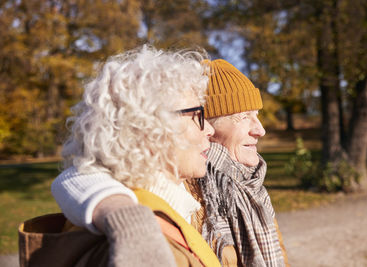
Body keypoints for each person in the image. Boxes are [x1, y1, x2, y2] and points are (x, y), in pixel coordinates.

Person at [51, 59, 289, 266]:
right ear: (153, 129)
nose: (261, 129)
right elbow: (80, 176)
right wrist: (123, 215)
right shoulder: (168, 201)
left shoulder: (248, 189)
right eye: (243, 116)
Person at [18, 46, 221, 267]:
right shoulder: (137, 247)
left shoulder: (166, 208)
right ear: (148, 129)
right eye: (197, 115)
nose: (210, 129)